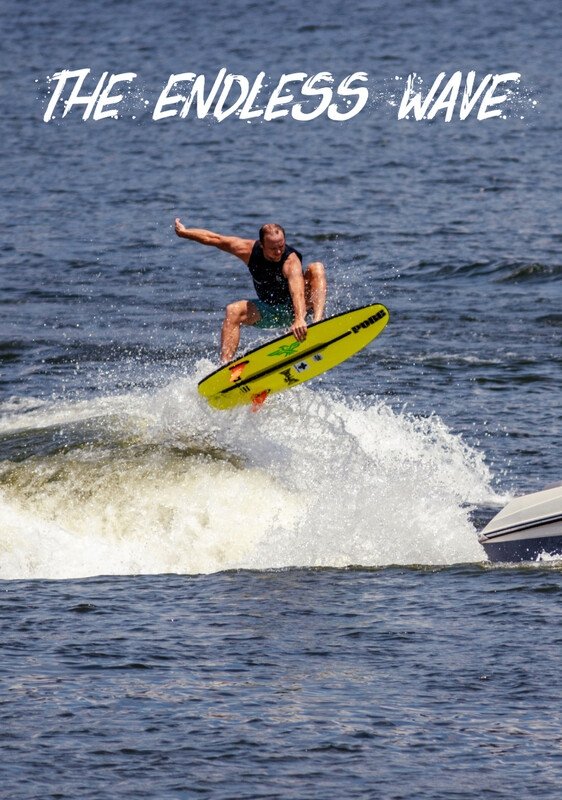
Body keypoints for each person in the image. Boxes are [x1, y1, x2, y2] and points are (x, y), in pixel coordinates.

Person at [174, 218, 327, 363]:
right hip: (270, 311)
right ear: (261, 245)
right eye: (273, 248)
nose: (279, 252)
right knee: (233, 310)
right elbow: (215, 239)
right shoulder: (248, 250)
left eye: (281, 246)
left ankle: (317, 323)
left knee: (316, 268)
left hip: (297, 309)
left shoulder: (290, 261)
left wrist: (299, 318)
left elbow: (297, 292)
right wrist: (185, 232)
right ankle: (225, 366)